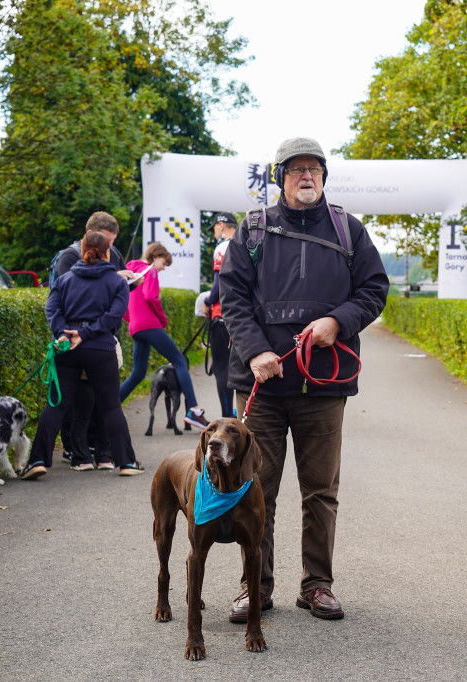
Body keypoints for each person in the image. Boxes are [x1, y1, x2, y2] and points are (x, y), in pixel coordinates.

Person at [219, 137, 388, 623]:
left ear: (324, 176)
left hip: (324, 387)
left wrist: (338, 321)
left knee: (320, 492)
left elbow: (374, 290)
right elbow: (232, 297)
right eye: (296, 170)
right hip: (263, 386)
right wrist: (256, 351)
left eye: (314, 168)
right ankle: (254, 586)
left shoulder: (349, 230)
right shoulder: (253, 229)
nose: (307, 176)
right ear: (280, 178)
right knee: (254, 489)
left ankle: (317, 586)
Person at [20, 230, 144, 479]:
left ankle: (37, 460)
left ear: (82, 250)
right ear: (107, 252)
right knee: (111, 407)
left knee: (56, 406)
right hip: (100, 348)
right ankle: (126, 462)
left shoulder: (65, 280)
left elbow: (52, 309)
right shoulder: (117, 282)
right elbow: (113, 316)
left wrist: (64, 334)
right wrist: (86, 333)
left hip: (67, 348)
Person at [54, 211, 136, 470]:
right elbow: (71, 295)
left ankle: (103, 453)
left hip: (104, 338)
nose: (110, 247)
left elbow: (113, 294)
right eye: (108, 241)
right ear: (91, 235)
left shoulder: (114, 253)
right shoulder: (69, 257)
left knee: (104, 402)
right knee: (79, 401)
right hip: (80, 340)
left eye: (112, 241)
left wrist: (128, 282)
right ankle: (77, 451)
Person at [118, 242, 208, 429]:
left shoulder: (130, 270)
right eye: (164, 263)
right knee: (179, 360)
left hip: (136, 327)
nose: (164, 268)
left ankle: (108, 408)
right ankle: (194, 410)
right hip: (150, 324)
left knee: (138, 373)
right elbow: (151, 297)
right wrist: (162, 319)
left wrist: (132, 321)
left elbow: (124, 302)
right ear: (156, 256)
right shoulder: (150, 271)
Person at [202, 211, 238, 417]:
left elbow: (218, 285)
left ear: (221, 225)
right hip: (246, 317)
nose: (214, 232)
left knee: (222, 368)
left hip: (223, 316)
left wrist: (208, 302)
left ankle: (227, 417)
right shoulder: (249, 243)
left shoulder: (223, 247)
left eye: (215, 228)